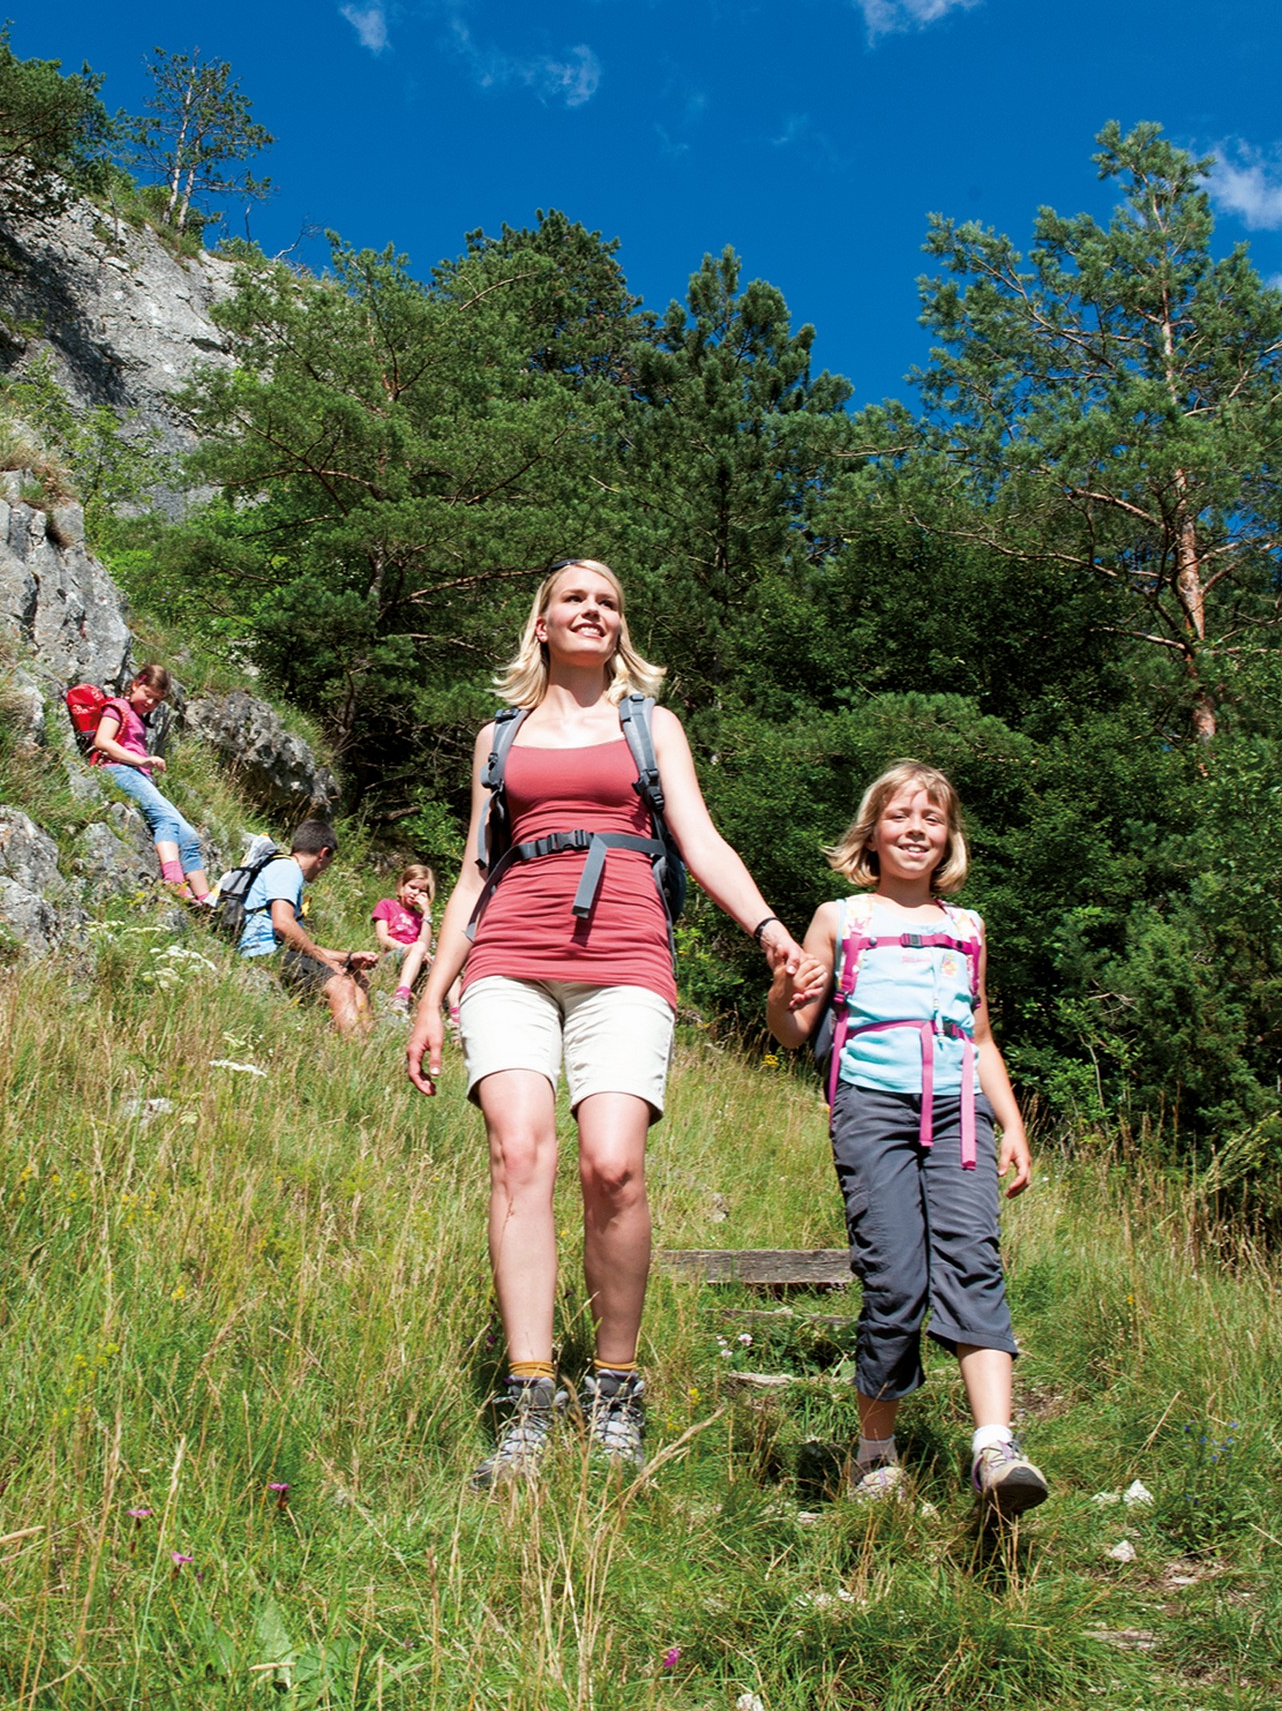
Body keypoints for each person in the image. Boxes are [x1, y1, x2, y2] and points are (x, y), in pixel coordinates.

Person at [405, 559, 805, 1489]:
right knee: (519, 1153)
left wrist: (770, 930)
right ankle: (529, 1397)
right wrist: (431, 997)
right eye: (573, 599)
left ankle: (615, 1388)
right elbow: (472, 873)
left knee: (613, 1166)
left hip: (626, 955)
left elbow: (699, 838)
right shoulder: (496, 739)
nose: (592, 610)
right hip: (509, 956)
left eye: (608, 601)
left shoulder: (650, 726)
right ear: (541, 624)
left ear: (621, 627)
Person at [765, 760, 1048, 1520]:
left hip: (961, 1113)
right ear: (873, 831)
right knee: (895, 1281)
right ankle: (875, 1455)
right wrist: (783, 990)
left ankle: (996, 1445)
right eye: (900, 816)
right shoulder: (841, 917)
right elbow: (792, 1032)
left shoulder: (967, 928)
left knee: (975, 1262)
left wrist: (1012, 1123)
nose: (916, 829)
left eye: (932, 818)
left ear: (949, 837)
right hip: (870, 1109)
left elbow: (980, 1036)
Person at [88, 663, 214, 908]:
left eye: (156, 701)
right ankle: (174, 882)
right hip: (119, 769)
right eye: (147, 695)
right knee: (165, 819)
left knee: (189, 835)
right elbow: (102, 741)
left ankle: (206, 899)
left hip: (138, 775)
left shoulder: (136, 716)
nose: (150, 704)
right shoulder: (118, 707)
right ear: (136, 684)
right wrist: (141, 760)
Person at [238, 819, 379, 1037]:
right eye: (328, 862)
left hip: (275, 949)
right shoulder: (288, 869)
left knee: (356, 972)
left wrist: (349, 957)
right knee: (341, 985)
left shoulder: (284, 870)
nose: (324, 870)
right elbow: (283, 924)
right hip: (264, 951)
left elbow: (300, 944)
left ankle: (368, 1044)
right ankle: (356, 1050)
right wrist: (326, 962)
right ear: (323, 853)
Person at [372, 863, 437, 1016]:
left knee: (444, 961)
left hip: (417, 956)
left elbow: (425, 944)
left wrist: (426, 912)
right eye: (412, 887)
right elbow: (382, 938)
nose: (416, 893)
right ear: (402, 886)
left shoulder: (420, 918)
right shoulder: (386, 905)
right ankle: (401, 996)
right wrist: (408, 949)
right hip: (393, 956)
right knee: (418, 947)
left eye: (422, 891)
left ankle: (455, 1012)